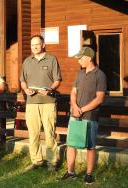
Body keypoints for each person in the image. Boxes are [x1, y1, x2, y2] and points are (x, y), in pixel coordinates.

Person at [60, 47, 107, 184]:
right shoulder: (79, 74)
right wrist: (75, 107)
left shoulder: (100, 75)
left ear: (89, 58)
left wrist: (82, 109)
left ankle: (88, 175)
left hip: (90, 116)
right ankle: (70, 172)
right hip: (75, 115)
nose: (78, 60)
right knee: (71, 144)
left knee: (90, 146)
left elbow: (99, 98)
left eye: (81, 58)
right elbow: (73, 92)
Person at [20, 35, 62, 172]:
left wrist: (50, 89)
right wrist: (25, 89)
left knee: (49, 133)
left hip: (48, 102)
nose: (34, 47)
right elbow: (23, 80)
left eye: (37, 44)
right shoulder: (27, 61)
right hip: (31, 103)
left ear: (43, 44)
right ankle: (36, 161)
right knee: (33, 133)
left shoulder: (52, 59)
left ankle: (52, 162)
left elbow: (57, 80)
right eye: (32, 45)